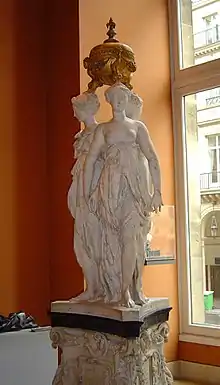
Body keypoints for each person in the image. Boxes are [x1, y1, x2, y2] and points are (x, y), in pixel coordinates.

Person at [84, 83, 162, 307]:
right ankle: (116, 287)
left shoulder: (137, 128)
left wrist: (157, 191)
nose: (118, 101)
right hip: (109, 190)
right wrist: (88, 191)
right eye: (114, 97)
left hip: (134, 190)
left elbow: (153, 159)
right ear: (109, 100)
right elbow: (90, 160)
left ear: (127, 100)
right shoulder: (103, 130)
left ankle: (126, 290)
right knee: (112, 242)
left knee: (130, 239)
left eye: (122, 97)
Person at [68, 91, 104, 302]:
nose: (74, 115)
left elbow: (105, 166)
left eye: (76, 109)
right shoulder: (81, 136)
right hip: (81, 192)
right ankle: (92, 287)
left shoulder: (101, 132)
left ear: (86, 109)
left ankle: (99, 288)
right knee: (81, 243)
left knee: (94, 241)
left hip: (93, 194)